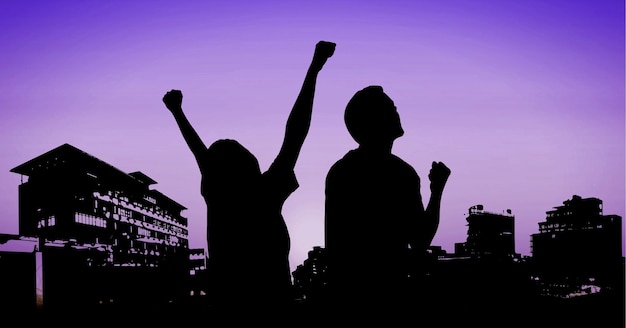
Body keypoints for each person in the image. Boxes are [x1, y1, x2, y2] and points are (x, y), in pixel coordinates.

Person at [162, 41, 335, 316]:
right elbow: (296, 132)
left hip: (229, 305)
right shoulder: (264, 192)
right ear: (252, 167)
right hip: (273, 304)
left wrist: (178, 113)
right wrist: (314, 68)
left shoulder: (220, 196)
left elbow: (199, 152)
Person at [324, 85, 451, 317]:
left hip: (350, 299)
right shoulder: (400, 173)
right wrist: (438, 190)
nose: (396, 112)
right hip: (386, 299)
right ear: (374, 120)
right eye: (390, 108)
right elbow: (421, 240)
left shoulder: (341, 171)